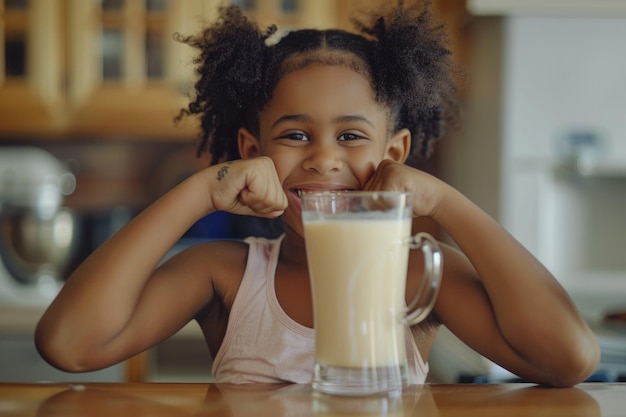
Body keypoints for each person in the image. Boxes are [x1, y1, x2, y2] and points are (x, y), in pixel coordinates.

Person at [35, 1, 599, 387]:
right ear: (252, 151)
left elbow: (568, 359)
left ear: (394, 156)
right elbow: (70, 345)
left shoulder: (417, 276)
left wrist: (448, 203)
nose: (323, 158)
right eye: (295, 135)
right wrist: (205, 189)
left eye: (351, 136)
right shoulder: (225, 274)